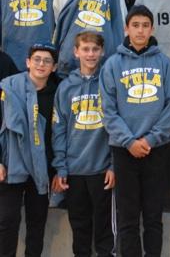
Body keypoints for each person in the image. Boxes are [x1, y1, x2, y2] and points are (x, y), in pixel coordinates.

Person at [100, 5, 170, 257]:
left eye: (145, 26)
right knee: (128, 217)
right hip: (124, 151)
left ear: (152, 29)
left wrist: (151, 139)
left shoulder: (163, 63)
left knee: (154, 216)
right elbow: (108, 110)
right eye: (135, 25)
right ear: (126, 28)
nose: (140, 31)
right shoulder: (112, 64)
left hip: (157, 149)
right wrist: (129, 142)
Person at [52, 31, 115, 257]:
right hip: (74, 169)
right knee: (79, 228)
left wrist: (113, 165)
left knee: (104, 229)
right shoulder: (65, 88)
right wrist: (61, 167)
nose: (91, 54)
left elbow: (116, 127)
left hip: (102, 170)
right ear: (76, 52)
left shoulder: (109, 83)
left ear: (102, 51)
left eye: (95, 49)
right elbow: (58, 129)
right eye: (85, 49)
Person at [0, 42, 59, 257]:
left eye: (47, 61)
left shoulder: (58, 93)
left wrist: (58, 169)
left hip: (42, 167)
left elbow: (60, 133)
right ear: (27, 62)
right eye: (37, 60)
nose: (41, 64)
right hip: (11, 164)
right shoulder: (9, 88)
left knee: (37, 223)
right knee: (7, 221)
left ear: (54, 67)